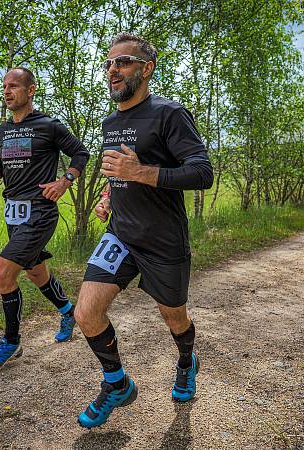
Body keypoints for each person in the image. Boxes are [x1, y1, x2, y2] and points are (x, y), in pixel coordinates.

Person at [73, 33, 213, 429]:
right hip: (121, 234)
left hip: (163, 239)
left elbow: (202, 172)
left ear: (146, 69)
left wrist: (139, 172)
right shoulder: (110, 122)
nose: (112, 70)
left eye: (123, 62)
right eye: (108, 64)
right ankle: (117, 383)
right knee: (86, 312)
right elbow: (121, 172)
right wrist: (109, 194)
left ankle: (187, 361)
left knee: (174, 317)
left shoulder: (169, 114)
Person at [0, 67, 90, 368]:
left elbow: (81, 154)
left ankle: (12, 342)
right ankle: (67, 312)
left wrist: (65, 181)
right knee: (37, 274)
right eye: (4, 87)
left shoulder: (49, 126)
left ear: (31, 90)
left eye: (13, 86)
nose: (7, 92)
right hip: (14, 214)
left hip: (40, 212)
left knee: (2, 274)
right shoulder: (3, 130)